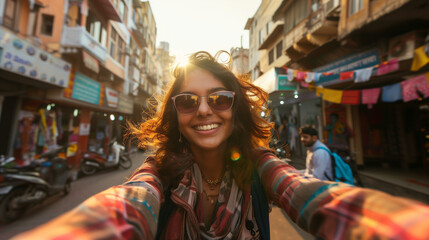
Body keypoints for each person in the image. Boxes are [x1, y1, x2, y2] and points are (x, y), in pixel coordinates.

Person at [12, 51, 429, 240]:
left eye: (220, 98)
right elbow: (127, 206)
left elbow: (309, 194)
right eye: (189, 100)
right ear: (176, 114)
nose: (205, 110)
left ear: (235, 109)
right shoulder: (157, 174)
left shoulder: (260, 167)